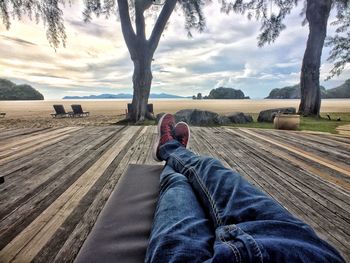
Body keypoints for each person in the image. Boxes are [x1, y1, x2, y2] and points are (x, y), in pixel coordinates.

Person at [145, 114, 345, 263]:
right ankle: (174, 152)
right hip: (295, 244)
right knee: (213, 169)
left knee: (178, 185)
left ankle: (170, 150)